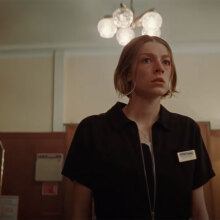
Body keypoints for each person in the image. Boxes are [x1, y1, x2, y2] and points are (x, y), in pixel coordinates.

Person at [62, 35, 215, 220]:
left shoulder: (187, 130)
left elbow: (199, 212)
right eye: (147, 60)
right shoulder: (93, 130)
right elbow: (80, 213)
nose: (160, 68)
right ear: (127, 72)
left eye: (166, 62)